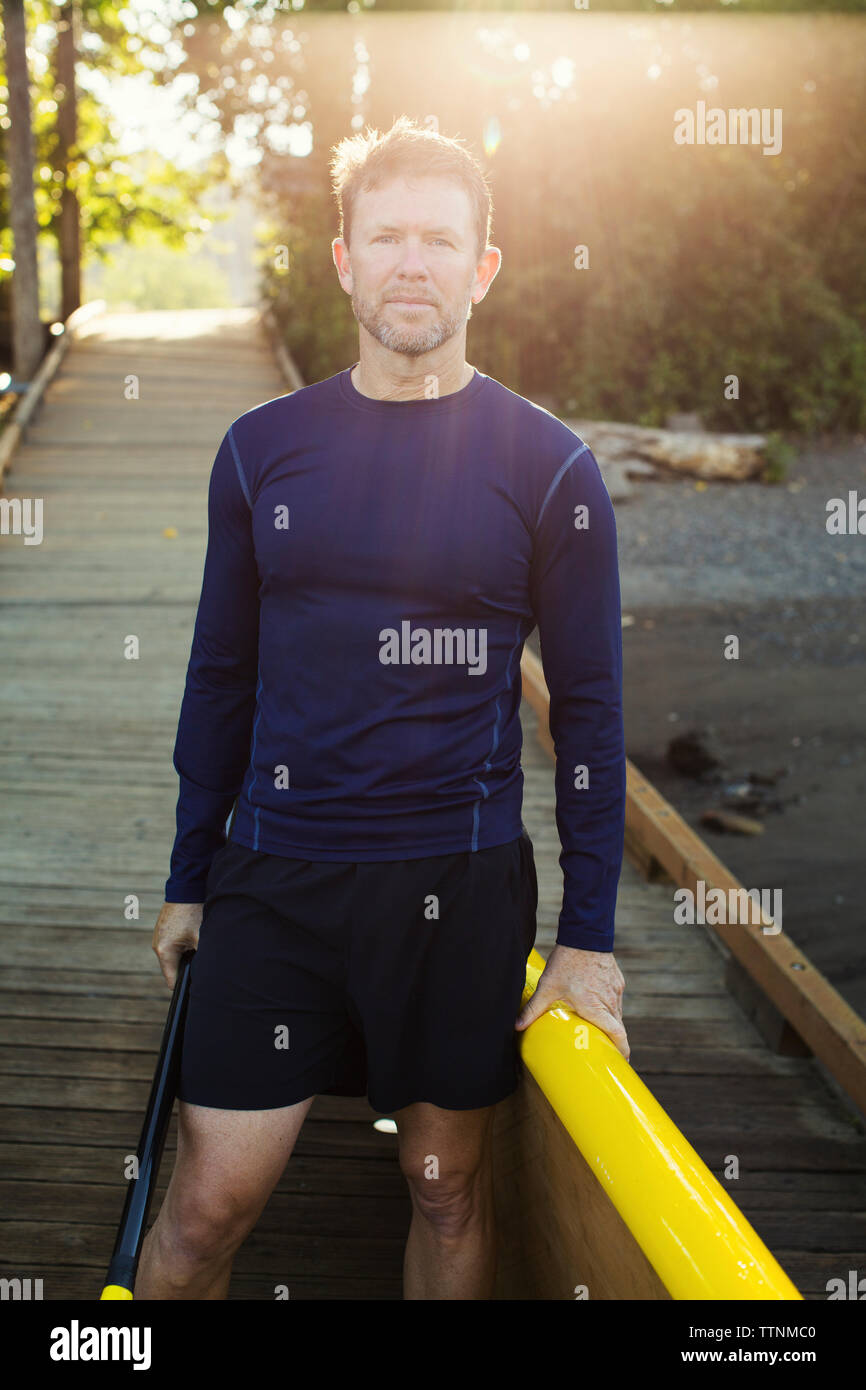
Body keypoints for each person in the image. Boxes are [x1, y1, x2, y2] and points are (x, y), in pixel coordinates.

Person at [138, 115, 628, 1302]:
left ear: (482, 268)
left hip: (455, 891)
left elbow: (593, 711)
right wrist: (189, 871)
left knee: (444, 1189)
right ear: (344, 259)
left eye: (440, 241)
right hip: (276, 874)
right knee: (207, 1201)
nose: (414, 263)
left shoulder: (549, 467)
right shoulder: (261, 450)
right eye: (387, 237)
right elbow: (221, 676)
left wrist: (587, 939)